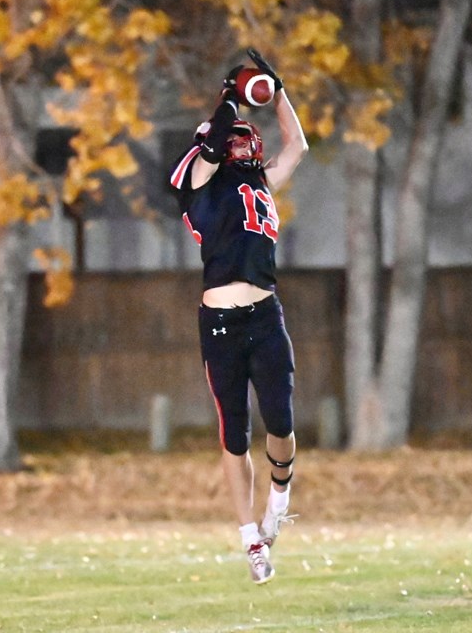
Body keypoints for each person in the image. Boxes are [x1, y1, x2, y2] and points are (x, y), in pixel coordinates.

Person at [167, 48, 309, 585]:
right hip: (221, 323)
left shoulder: (262, 182)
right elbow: (210, 142)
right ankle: (250, 538)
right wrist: (231, 93)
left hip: (265, 312)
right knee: (234, 431)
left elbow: (298, 144)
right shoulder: (200, 183)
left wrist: (280, 90)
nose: (241, 138)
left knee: (282, 418)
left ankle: (281, 493)